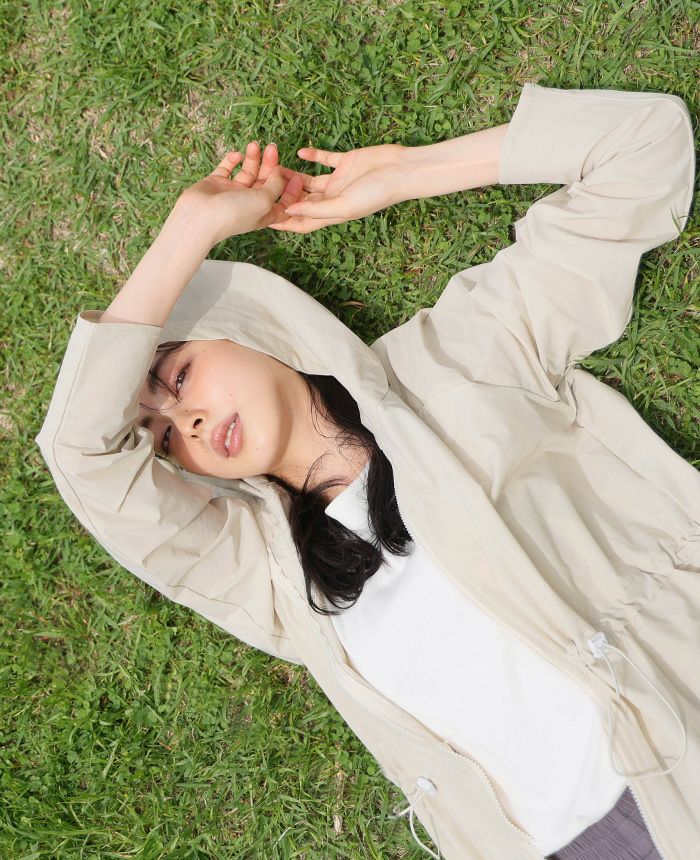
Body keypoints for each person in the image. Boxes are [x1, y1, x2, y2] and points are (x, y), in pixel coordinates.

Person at [35, 82, 698, 859]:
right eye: (166, 437)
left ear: (245, 328)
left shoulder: (461, 360)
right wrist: (188, 228)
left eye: (180, 379)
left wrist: (408, 173)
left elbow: (643, 144)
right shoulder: (268, 574)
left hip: (676, 726)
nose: (191, 424)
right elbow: (80, 454)